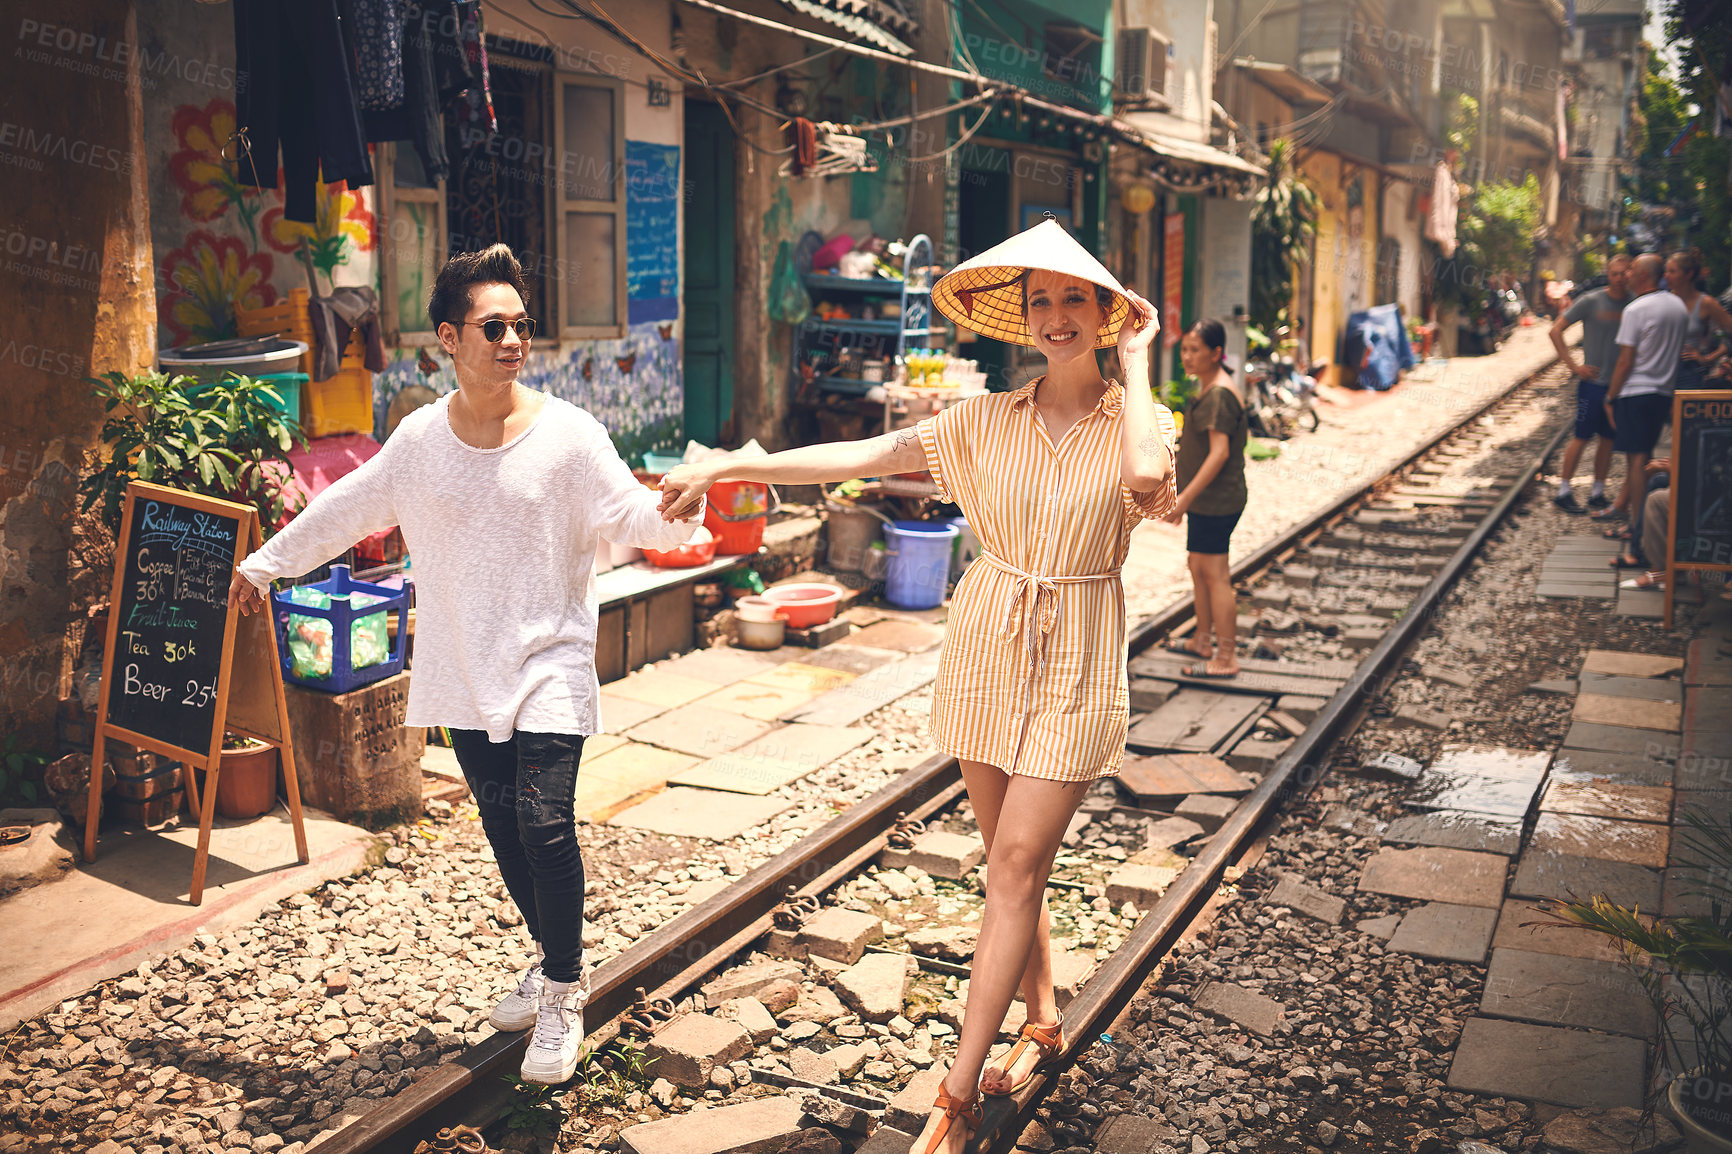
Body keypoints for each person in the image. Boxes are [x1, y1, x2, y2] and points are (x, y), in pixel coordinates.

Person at [658, 217, 1177, 1154]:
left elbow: (1145, 476)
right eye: (1040, 302)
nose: (1056, 317)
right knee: (1006, 860)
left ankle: (958, 1084)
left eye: (1075, 299)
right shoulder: (985, 421)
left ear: (1107, 313)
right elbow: (870, 458)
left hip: (1078, 652)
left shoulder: (1143, 417)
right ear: (1022, 320)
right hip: (989, 642)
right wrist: (737, 460)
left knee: (1017, 866)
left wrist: (1140, 359)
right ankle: (1043, 1013)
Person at [226, 245, 702, 1085]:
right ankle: (557, 961)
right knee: (501, 825)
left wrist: (679, 509)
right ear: (450, 337)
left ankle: (562, 986)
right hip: (461, 665)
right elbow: (344, 507)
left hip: (550, 658)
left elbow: (630, 511)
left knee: (544, 821)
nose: (514, 339)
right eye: (495, 326)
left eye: (523, 325)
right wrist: (264, 564)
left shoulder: (569, 434)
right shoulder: (417, 441)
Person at [1163, 319, 1249, 678]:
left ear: (1216, 353)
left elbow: (1218, 454)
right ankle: (1202, 640)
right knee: (1197, 567)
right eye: (1184, 349)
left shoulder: (1218, 394)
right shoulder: (1209, 387)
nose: (1187, 356)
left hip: (1218, 501)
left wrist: (1183, 500)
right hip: (1205, 500)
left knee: (1215, 574)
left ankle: (1226, 656)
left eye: (1195, 350)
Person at [1604, 252, 1689, 571]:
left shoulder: (1636, 308)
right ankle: (1635, 528)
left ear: (1643, 277)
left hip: (1635, 393)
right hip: (1662, 393)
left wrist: (1610, 396)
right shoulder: (1677, 306)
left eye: (1632, 271)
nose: (1626, 275)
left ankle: (1639, 544)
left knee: (1637, 463)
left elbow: (1626, 361)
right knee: (1645, 457)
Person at [1549, 255, 1630, 513]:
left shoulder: (1634, 303)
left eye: (1624, 273)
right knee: (1581, 437)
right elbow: (1555, 330)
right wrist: (1574, 367)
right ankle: (1564, 490)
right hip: (1593, 385)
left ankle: (1597, 492)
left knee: (1608, 439)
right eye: (1615, 273)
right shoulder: (1591, 300)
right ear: (1608, 274)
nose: (1619, 278)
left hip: (1618, 386)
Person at [1665, 249, 1732, 390]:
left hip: (1688, 371)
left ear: (1688, 274)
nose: (1667, 276)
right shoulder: (1663, 300)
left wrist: (1707, 359)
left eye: (1672, 272)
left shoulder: (1706, 303)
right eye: (1666, 271)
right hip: (1662, 369)